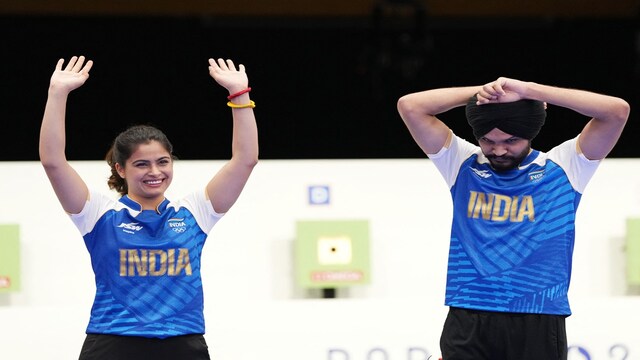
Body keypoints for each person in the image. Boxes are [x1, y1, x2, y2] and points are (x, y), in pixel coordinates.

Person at [39, 55, 258, 360]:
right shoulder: (98, 214)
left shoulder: (195, 211)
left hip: (183, 342)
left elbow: (245, 160)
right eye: (142, 164)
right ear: (120, 169)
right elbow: (53, 162)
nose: (155, 172)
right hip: (114, 341)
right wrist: (57, 93)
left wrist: (239, 94)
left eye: (162, 162)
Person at [397, 77, 629, 360]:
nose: (499, 150)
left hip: (538, 314)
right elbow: (410, 106)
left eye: (511, 141)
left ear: (530, 134)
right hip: (469, 310)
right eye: (487, 141)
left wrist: (529, 92)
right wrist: (484, 94)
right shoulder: (461, 164)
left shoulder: (566, 167)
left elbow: (616, 111)